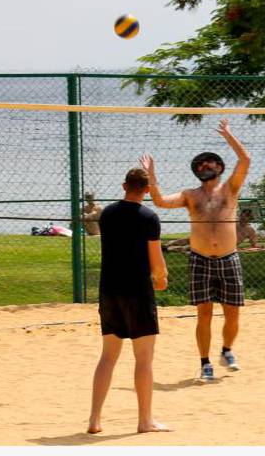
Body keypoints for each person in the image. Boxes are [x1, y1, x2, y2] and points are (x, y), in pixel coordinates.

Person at [140, 119, 251, 382]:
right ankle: (205, 363)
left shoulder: (230, 189)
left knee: (233, 313)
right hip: (200, 260)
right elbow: (159, 201)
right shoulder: (190, 195)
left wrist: (228, 135)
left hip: (229, 258)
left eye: (209, 162)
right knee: (204, 314)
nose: (204, 166)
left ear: (219, 167)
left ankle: (227, 350)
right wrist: (151, 175)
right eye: (200, 165)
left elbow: (245, 160)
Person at [87, 168, 170, 434]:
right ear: (147, 190)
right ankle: (145, 421)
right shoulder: (149, 217)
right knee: (143, 359)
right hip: (137, 291)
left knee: (107, 357)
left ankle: (94, 419)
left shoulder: (108, 214)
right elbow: (155, 258)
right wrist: (161, 277)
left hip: (109, 290)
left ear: (124, 186)